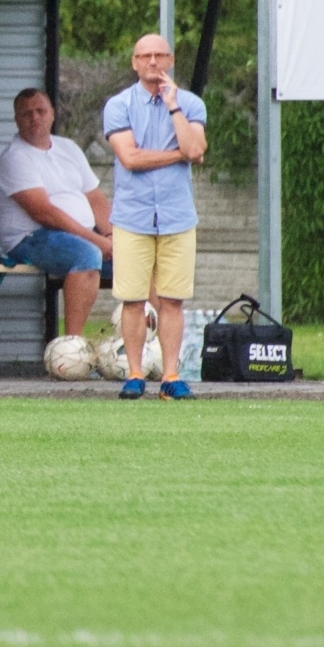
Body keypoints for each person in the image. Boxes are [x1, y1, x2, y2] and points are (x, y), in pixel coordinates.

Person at [102, 33, 207, 400]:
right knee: (133, 299)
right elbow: (129, 158)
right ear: (134, 62)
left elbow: (196, 146)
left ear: (171, 60)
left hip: (178, 215)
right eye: (144, 56)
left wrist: (174, 107)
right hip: (133, 215)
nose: (152, 62)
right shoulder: (119, 105)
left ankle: (171, 375)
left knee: (173, 299)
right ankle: (133, 373)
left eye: (159, 55)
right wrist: (179, 155)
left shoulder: (191, 104)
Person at [0, 88, 113, 346]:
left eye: (40, 111)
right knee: (86, 255)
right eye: (26, 114)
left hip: (81, 234)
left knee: (141, 258)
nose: (34, 118)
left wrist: (113, 236)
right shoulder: (15, 158)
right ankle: (72, 350)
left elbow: (95, 199)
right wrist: (97, 241)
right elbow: (44, 213)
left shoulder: (68, 148)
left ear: (52, 114)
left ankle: (148, 349)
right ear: (16, 119)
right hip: (30, 238)